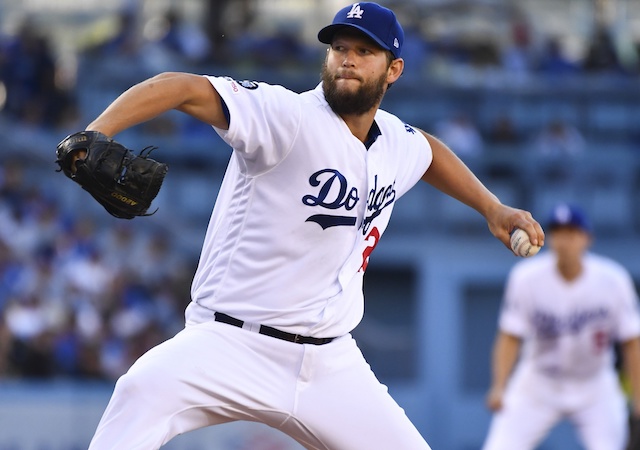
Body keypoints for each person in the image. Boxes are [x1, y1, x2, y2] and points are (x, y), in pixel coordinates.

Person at [77, 3, 544, 449]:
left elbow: (428, 152)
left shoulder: (395, 142)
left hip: (330, 363)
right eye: (340, 47)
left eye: (365, 52)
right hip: (229, 342)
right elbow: (180, 87)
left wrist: (492, 208)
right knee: (139, 390)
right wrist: (97, 132)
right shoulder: (288, 116)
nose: (348, 60)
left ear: (393, 70)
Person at [483, 203, 640, 450]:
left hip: (595, 385)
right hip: (539, 382)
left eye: (572, 233)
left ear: (587, 238)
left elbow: (632, 342)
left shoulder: (613, 280)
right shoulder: (526, 278)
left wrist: (639, 396)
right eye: (558, 233)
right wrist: (499, 385)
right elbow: (509, 337)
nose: (564, 240)